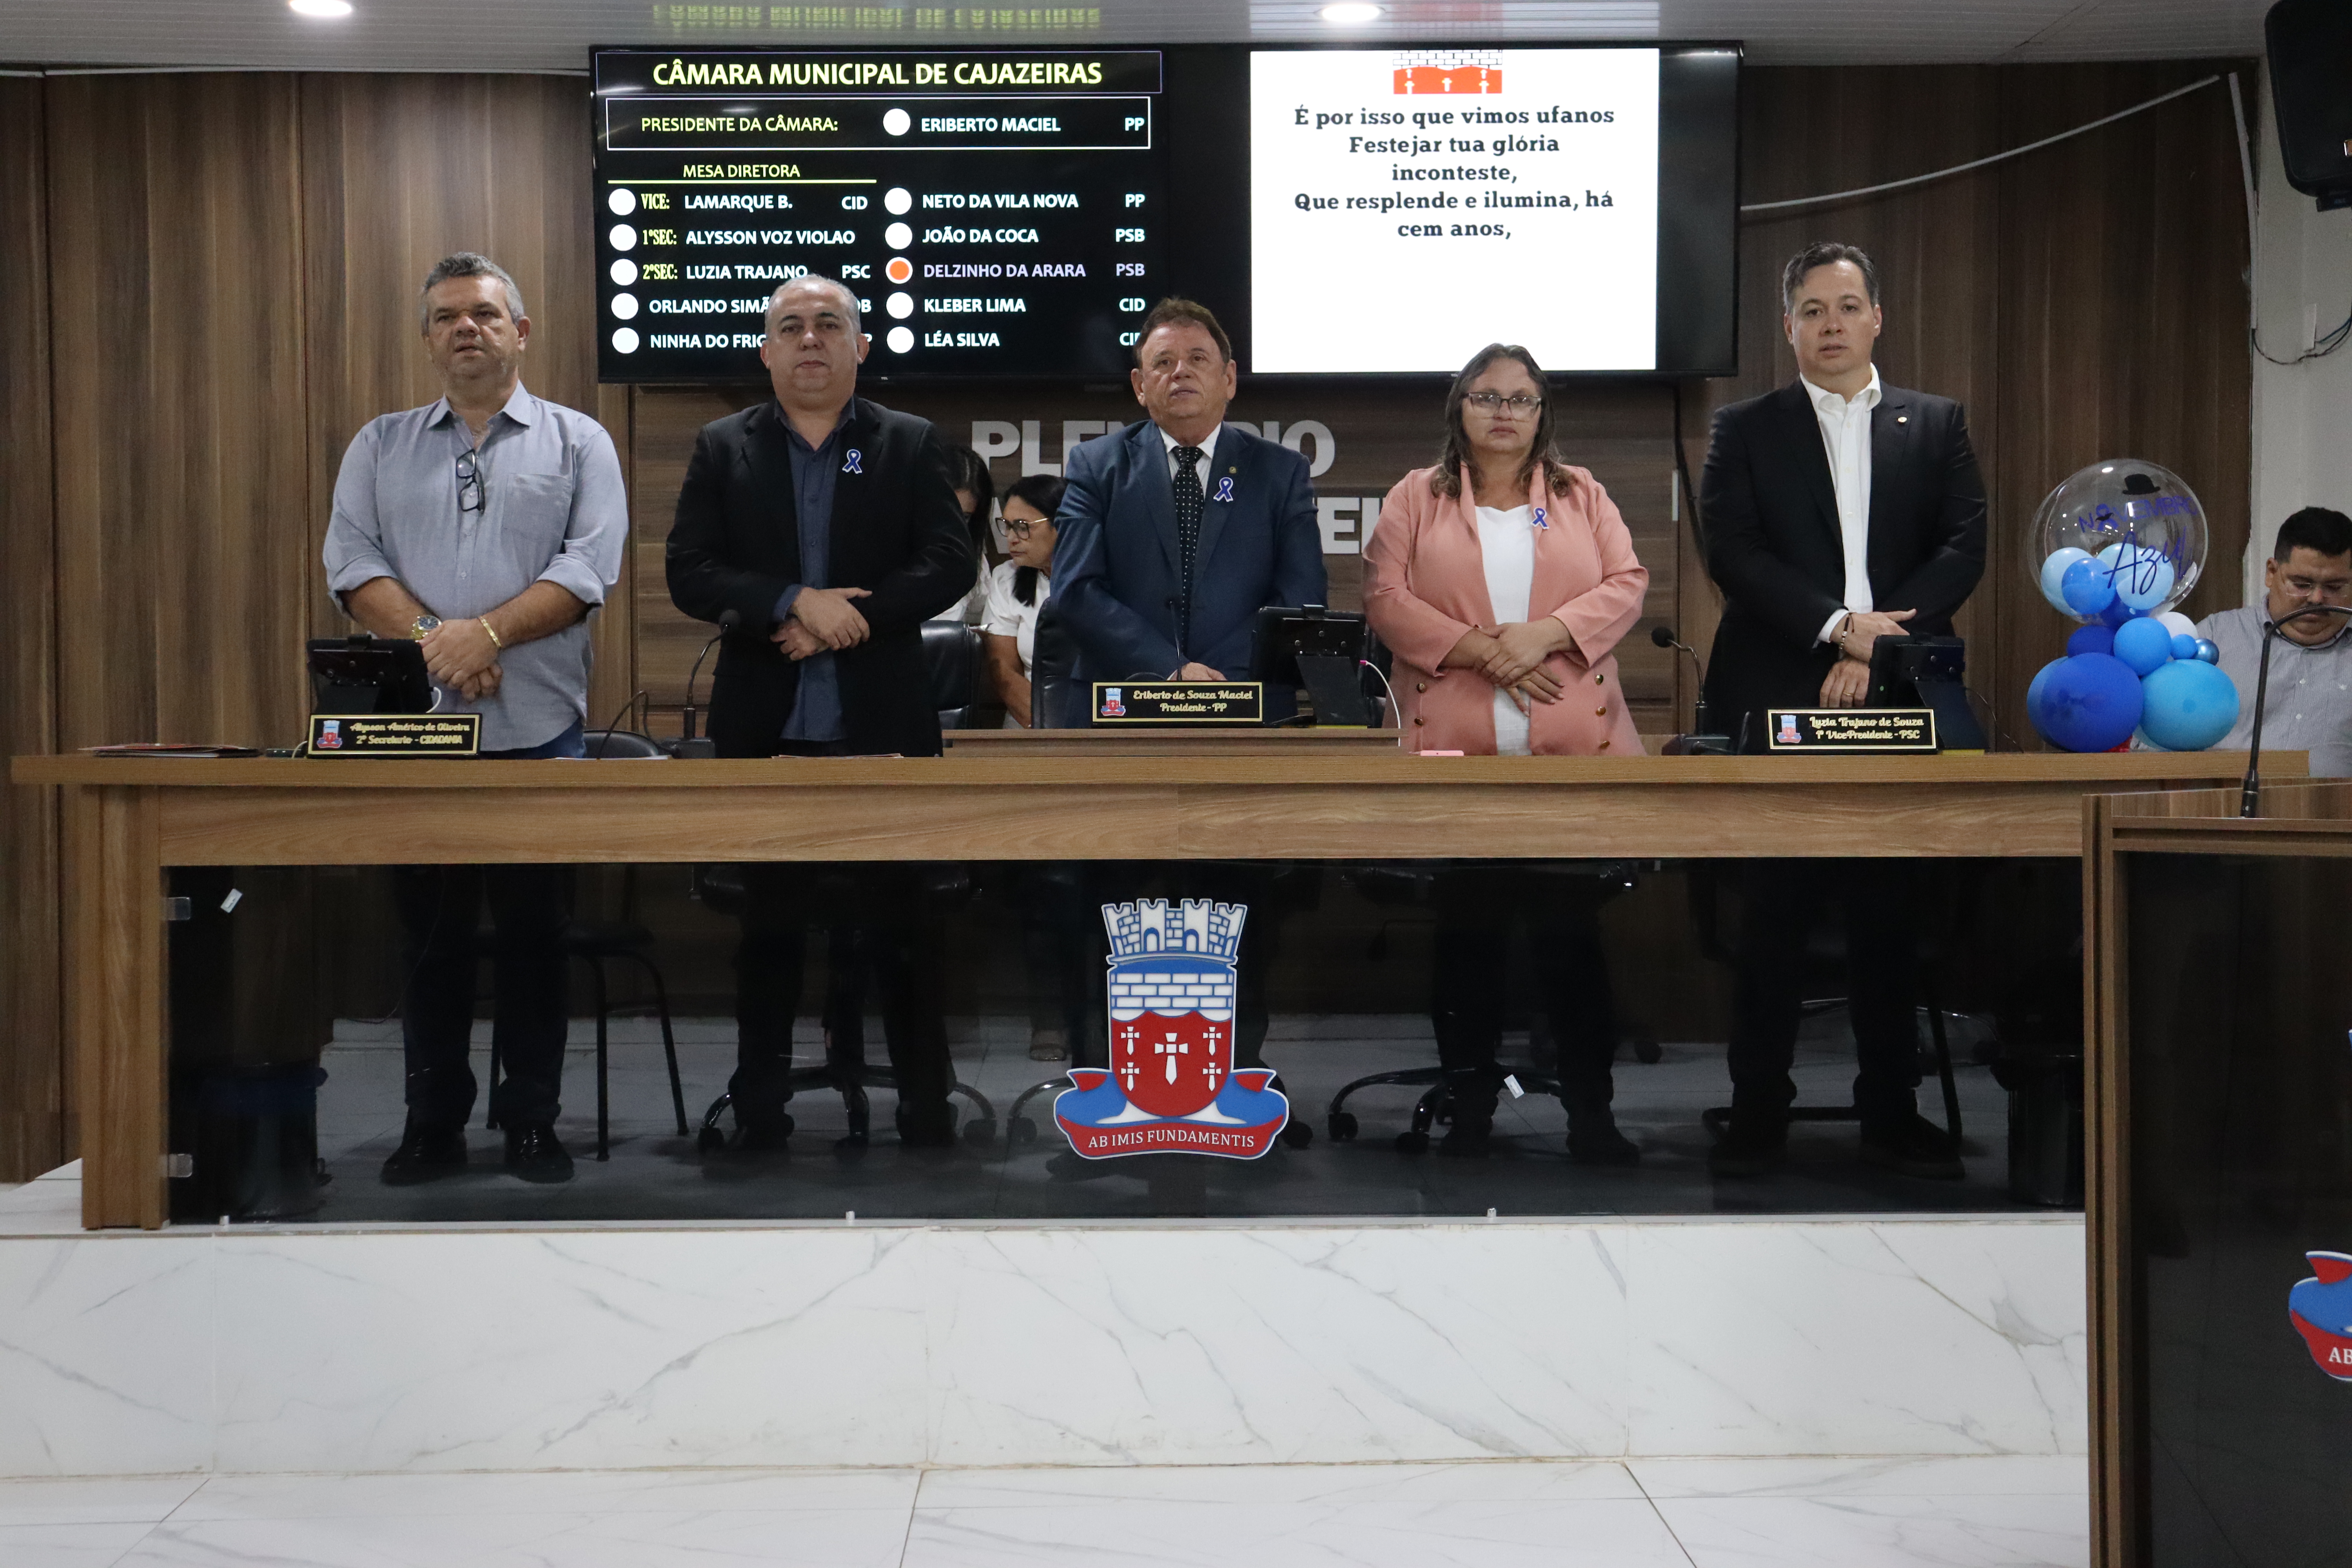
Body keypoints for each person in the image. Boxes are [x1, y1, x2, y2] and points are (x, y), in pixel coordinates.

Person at [322, 251, 627, 1186]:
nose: (468, 328)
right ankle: (432, 1125)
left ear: (520, 333)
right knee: (430, 945)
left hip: (541, 733)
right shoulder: (379, 444)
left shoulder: (579, 442)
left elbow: (588, 571)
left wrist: (486, 633)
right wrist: (436, 641)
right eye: (449, 316)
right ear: (427, 338)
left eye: (487, 315)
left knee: (538, 941)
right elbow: (351, 562)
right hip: (419, 740)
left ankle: (532, 1123)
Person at [665, 274, 975, 1150]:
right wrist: (795, 601)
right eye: (791, 327)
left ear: (860, 347)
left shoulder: (908, 442)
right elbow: (690, 570)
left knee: (904, 936)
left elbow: (948, 563)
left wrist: (853, 619)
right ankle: (761, 1108)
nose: (810, 339)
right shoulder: (723, 445)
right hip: (767, 734)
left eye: (829, 325)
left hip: (884, 732)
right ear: (766, 350)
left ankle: (926, 1108)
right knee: (767, 940)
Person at [1699, 241, 1987, 1180]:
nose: (1831, 323)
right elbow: (1733, 554)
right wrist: (1837, 630)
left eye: (1847, 305)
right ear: (1788, 327)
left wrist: (1880, 645)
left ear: (1876, 318)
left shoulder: (1934, 423)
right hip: (1777, 679)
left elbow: (1963, 544)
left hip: (1902, 684)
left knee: (1888, 911)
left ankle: (1890, 1108)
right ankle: (1756, 1106)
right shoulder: (1745, 426)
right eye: (1812, 309)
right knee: (1772, 908)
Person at [1363, 343, 1649, 1160]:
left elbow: (1626, 582)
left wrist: (1544, 635)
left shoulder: (1580, 492)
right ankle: (1471, 1106)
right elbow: (1384, 596)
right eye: (1487, 396)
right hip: (1456, 761)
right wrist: (1486, 652)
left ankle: (1594, 1112)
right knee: (1469, 943)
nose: (1503, 412)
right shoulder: (1417, 497)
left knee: (1573, 943)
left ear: (1541, 413)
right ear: (1459, 407)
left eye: (1521, 399)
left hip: (1572, 762)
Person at [1052, 298, 1326, 687]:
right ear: (1139, 386)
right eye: (1163, 363)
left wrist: (1213, 678)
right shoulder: (1095, 467)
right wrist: (1169, 666)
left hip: (1244, 696)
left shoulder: (1282, 472)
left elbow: (1302, 596)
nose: (1181, 372)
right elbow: (1076, 592)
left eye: (1198, 359)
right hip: (1123, 700)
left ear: (1229, 379)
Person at [2196, 505, 2352, 775]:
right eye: (2302, 584)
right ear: (2271, 572)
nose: (2316, 599)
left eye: (2334, 588)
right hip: (2219, 809)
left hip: (2334, 814)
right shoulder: (2213, 638)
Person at [981, 473, 1065, 727]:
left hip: (1103, 721)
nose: (1011, 537)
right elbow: (1003, 669)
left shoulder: (1109, 578)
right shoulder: (1007, 578)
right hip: (1031, 722)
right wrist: (1048, 728)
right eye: (1007, 525)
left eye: (1023, 526)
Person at [939, 443, 996, 625]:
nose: (952, 524)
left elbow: (982, 626)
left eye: (964, 516)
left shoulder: (973, 561)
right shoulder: (887, 548)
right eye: (945, 511)